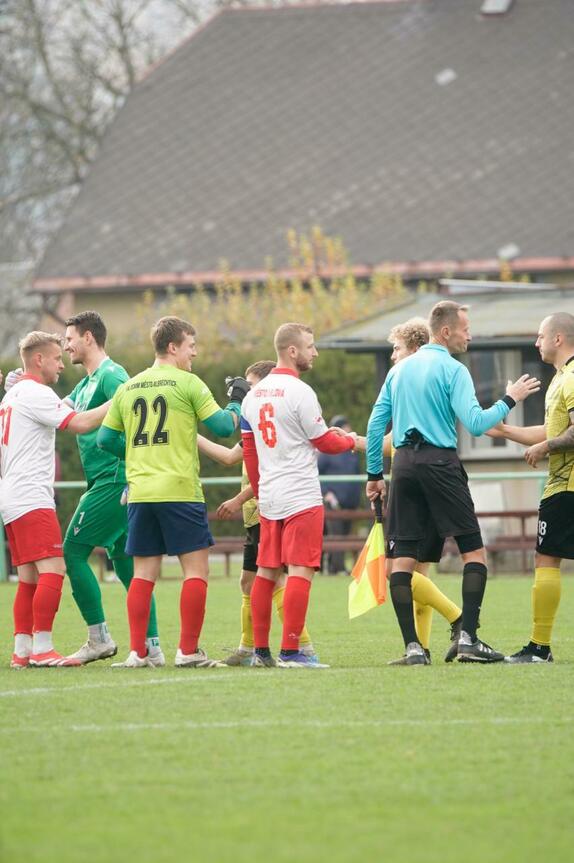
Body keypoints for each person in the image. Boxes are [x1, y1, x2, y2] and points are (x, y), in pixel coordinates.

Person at [365, 301, 540, 665]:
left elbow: (374, 425)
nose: (469, 335)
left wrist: (374, 476)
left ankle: (414, 649)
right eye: (465, 329)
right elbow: (476, 424)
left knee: (402, 561)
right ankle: (468, 640)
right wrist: (511, 398)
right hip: (439, 462)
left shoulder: (399, 370)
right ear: (446, 332)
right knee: (474, 553)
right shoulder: (454, 369)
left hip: (404, 465)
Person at [97, 316, 248, 668]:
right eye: (191, 346)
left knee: (143, 575)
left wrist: (137, 456)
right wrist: (238, 401)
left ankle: (138, 653)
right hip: (180, 490)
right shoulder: (188, 382)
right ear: (172, 346)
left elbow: (104, 438)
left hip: (141, 493)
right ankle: (188, 652)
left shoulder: (129, 387)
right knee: (195, 572)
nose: (194, 353)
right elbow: (224, 426)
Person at [241, 322, 365, 668]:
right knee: (300, 570)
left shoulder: (252, 396)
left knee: (266, 571)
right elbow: (324, 442)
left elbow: (249, 452)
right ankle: (291, 651)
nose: (315, 353)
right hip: (301, 495)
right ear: (292, 350)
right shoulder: (300, 392)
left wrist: (260, 490)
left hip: (270, 496)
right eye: (310, 346)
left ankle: (260, 652)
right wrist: (350, 440)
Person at [0, 331, 112, 667]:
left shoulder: (13, 395)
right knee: (54, 569)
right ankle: (43, 648)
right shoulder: (36, 392)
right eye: (56, 358)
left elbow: (64, 407)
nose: (62, 365)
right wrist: (120, 399)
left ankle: (22, 651)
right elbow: (80, 423)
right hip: (31, 497)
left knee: (29, 578)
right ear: (39, 360)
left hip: (13, 496)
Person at [198, 360, 318, 666]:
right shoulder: (257, 419)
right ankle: (251, 647)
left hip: (269, 507)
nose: (248, 391)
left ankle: (297, 645)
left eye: (251, 385)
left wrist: (239, 499)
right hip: (258, 512)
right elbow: (229, 457)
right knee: (251, 580)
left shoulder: (273, 418)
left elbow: (270, 471)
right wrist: (191, 435)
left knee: (270, 579)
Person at [61, 311, 163, 665]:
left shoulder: (112, 374)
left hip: (115, 478)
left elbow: (137, 416)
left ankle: (99, 637)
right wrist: (22, 388)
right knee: (126, 564)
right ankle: (151, 648)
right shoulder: (85, 383)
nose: (66, 346)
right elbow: (56, 412)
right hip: (105, 479)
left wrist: (135, 473)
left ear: (88, 337)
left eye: (69, 338)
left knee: (73, 551)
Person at [487, 313, 574, 663]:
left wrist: (545, 448)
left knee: (546, 558)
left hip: (566, 486)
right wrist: (505, 431)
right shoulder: (560, 378)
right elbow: (551, 431)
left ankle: (539, 648)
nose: (536, 343)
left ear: (558, 338)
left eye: (540, 336)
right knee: (546, 558)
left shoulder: (572, 377)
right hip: (562, 485)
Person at [382, 318, 463, 665]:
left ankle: (459, 619)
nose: (393, 356)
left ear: (415, 349)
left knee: (397, 572)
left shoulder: (409, 382)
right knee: (420, 573)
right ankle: (422, 649)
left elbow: (394, 442)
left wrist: (353, 442)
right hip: (433, 478)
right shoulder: (418, 382)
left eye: (397, 348)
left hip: (417, 482)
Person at [318, 415, 362, 576]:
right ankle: (338, 568)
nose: (348, 429)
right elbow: (316, 473)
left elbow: (356, 474)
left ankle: (334, 567)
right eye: (345, 426)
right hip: (333, 502)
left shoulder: (352, 452)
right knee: (336, 535)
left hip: (349, 502)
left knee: (345, 534)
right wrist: (327, 494)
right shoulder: (326, 452)